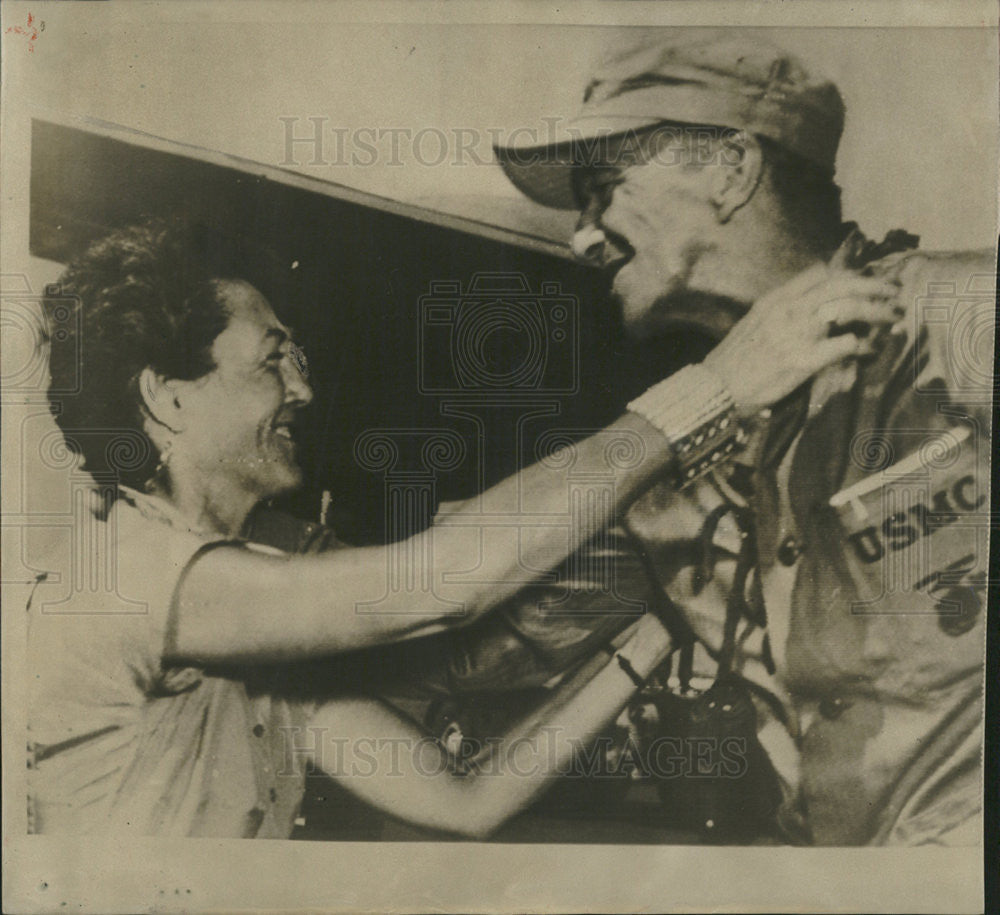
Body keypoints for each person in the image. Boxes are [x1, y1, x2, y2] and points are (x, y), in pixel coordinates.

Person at [27, 217, 892, 837]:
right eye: (272, 358)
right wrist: (719, 386)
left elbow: (465, 797)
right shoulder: (128, 574)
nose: (305, 388)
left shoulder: (247, 631)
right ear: (165, 395)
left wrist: (659, 619)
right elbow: (441, 585)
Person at [488, 31, 992, 845]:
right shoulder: (679, 471)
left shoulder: (963, 319)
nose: (581, 237)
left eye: (602, 189)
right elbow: (491, 643)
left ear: (730, 170)